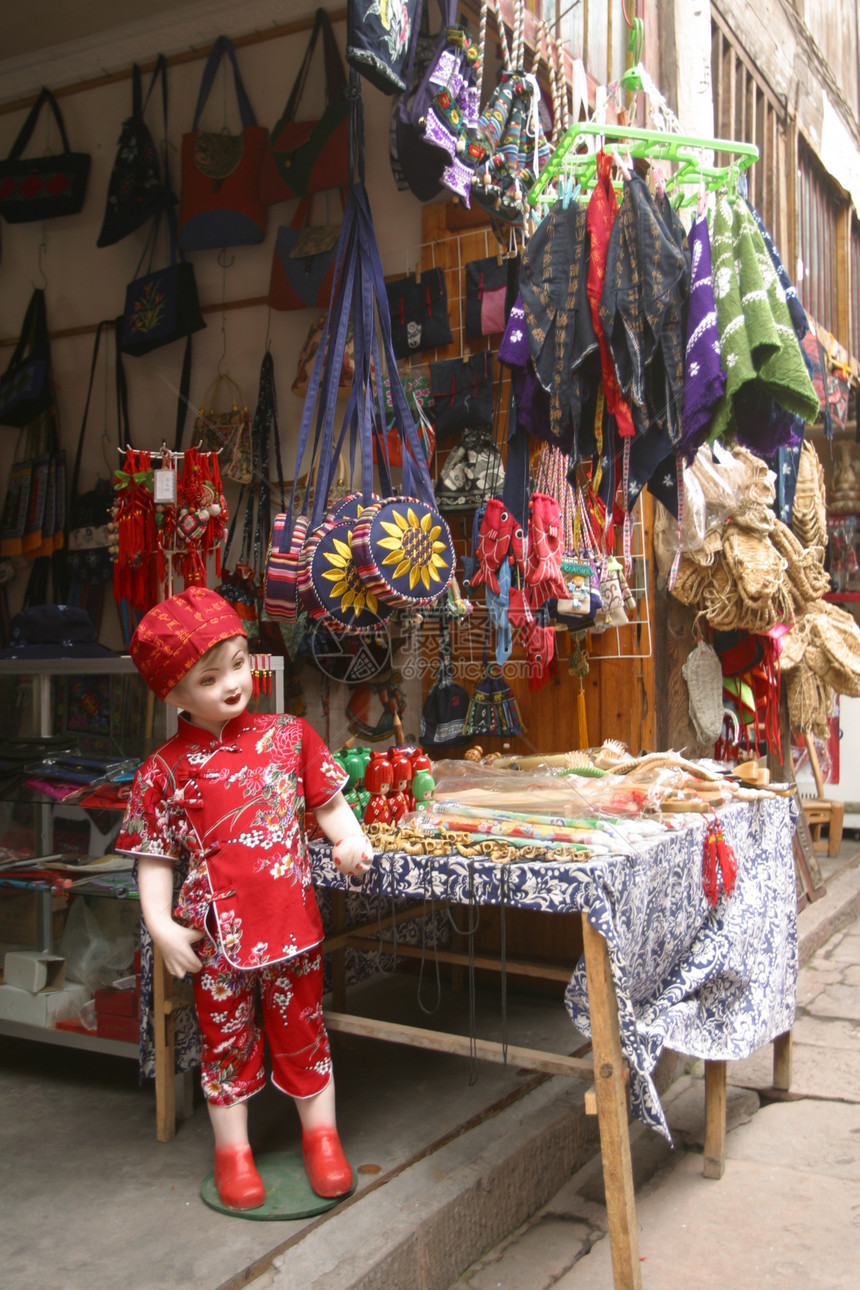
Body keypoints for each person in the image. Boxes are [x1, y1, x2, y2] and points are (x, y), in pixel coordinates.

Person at [116, 587, 372, 1212]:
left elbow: (330, 805)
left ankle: (323, 1139)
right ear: (173, 694)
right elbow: (154, 857)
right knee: (224, 1041)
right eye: (209, 678)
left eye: (237, 663)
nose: (232, 683)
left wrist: (351, 842)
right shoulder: (162, 771)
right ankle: (232, 1153)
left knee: (305, 1031)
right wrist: (160, 926)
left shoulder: (291, 737)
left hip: (293, 928)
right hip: (217, 939)